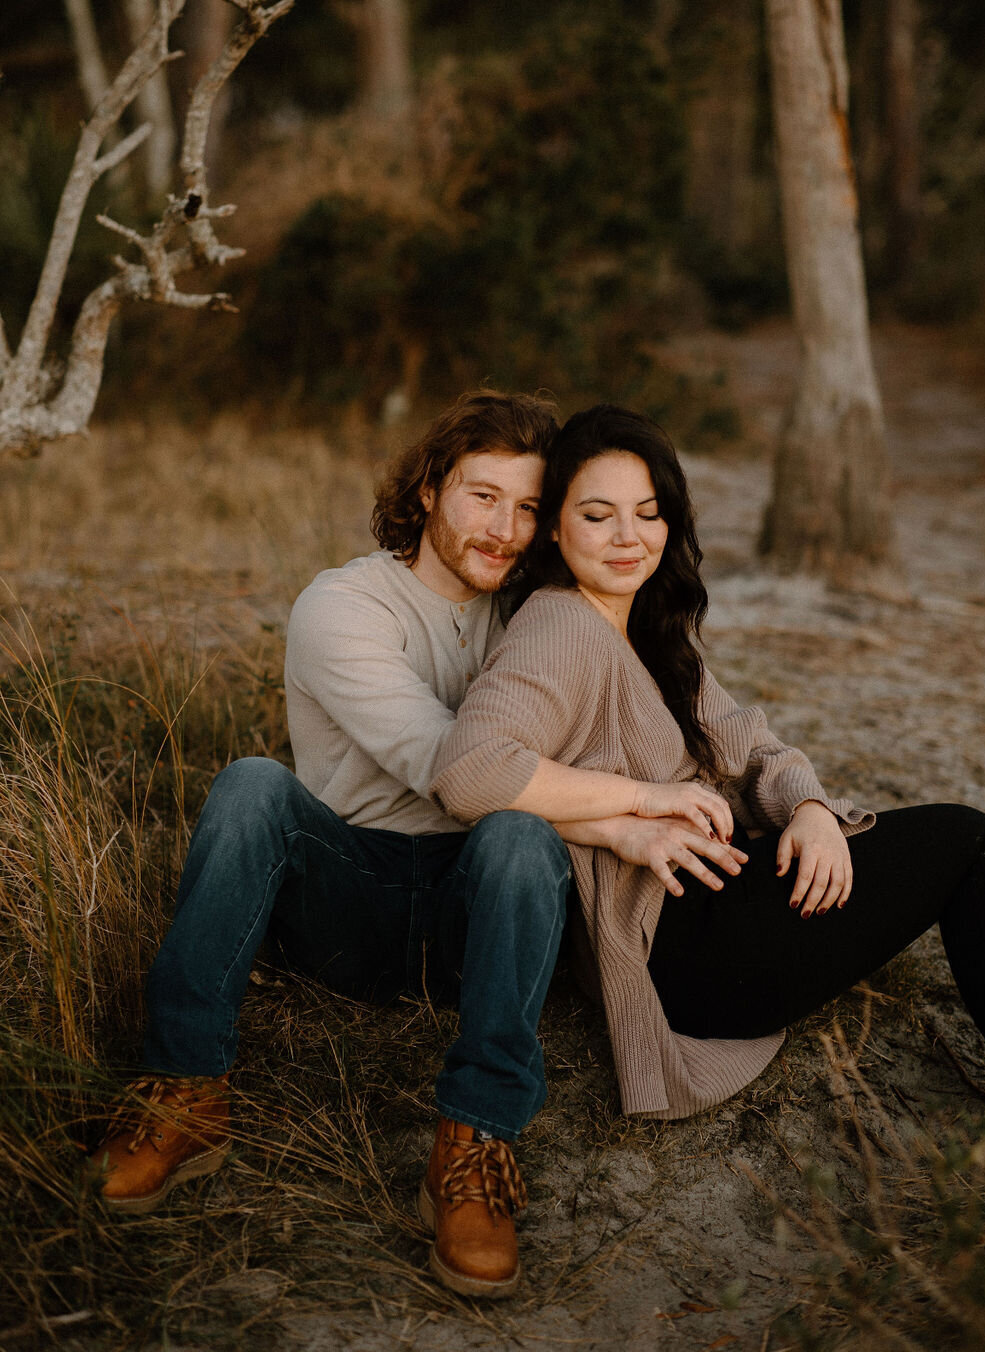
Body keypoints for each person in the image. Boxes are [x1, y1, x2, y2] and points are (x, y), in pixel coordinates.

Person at [88, 391, 736, 1300]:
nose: (505, 529)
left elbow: (647, 719)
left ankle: (475, 1141)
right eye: (483, 497)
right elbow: (452, 767)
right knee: (251, 785)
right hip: (349, 899)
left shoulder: (538, 612)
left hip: (484, 906)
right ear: (431, 489)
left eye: (526, 508)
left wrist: (790, 795)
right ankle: (184, 1089)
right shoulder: (343, 606)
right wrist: (626, 819)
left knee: (514, 832)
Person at [431, 404, 985, 1124]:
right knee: (966, 841)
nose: (628, 537)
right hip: (690, 948)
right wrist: (641, 803)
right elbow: (469, 768)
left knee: (958, 845)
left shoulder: (643, 625)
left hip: (721, 910)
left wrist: (809, 809)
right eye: (597, 515)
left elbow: (753, 746)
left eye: (648, 513)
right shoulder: (559, 624)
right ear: (554, 526)